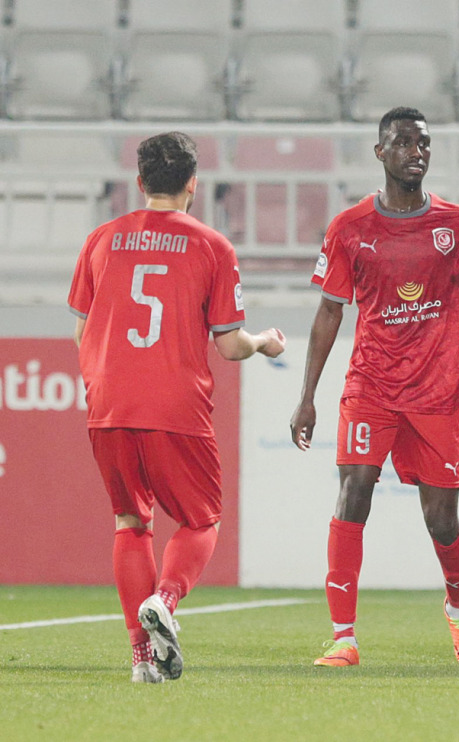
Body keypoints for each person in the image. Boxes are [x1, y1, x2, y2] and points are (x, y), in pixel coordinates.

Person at [290, 107, 459, 668]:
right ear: (380, 152)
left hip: (437, 392)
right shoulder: (350, 228)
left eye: (424, 143)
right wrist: (308, 395)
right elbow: (328, 313)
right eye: (404, 143)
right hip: (373, 387)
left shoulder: (456, 225)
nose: (417, 151)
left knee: (441, 519)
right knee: (352, 492)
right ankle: (343, 637)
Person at [68, 131, 286, 683]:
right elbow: (230, 346)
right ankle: (165, 599)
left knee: (129, 522)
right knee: (200, 519)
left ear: (139, 182)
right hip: (176, 404)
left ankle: (142, 660)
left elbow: (80, 333)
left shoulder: (100, 239)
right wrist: (265, 341)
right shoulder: (212, 246)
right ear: (194, 183)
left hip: (109, 404)